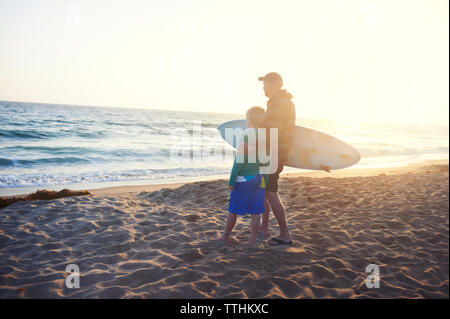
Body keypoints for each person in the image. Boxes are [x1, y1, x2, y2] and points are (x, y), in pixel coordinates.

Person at [216, 106, 268, 248]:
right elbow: (266, 160)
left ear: (250, 119)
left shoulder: (247, 134)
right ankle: (252, 242)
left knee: (233, 210)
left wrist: (232, 179)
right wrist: (265, 180)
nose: (246, 119)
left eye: (246, 117)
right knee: (255, 211)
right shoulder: (265, 135)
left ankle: (225, 237)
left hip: (245, 178)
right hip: (259, 177)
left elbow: (239, 159)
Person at [258, 72, 296, 246]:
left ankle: (285, 234)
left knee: (271, 193)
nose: (263, 87)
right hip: (277, 152)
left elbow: (273, 132)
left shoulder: (278, 104)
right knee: (265, 190)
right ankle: (264, 227)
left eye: (265, 84)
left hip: (274, 153)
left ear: (273, 85)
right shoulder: (282, 102)